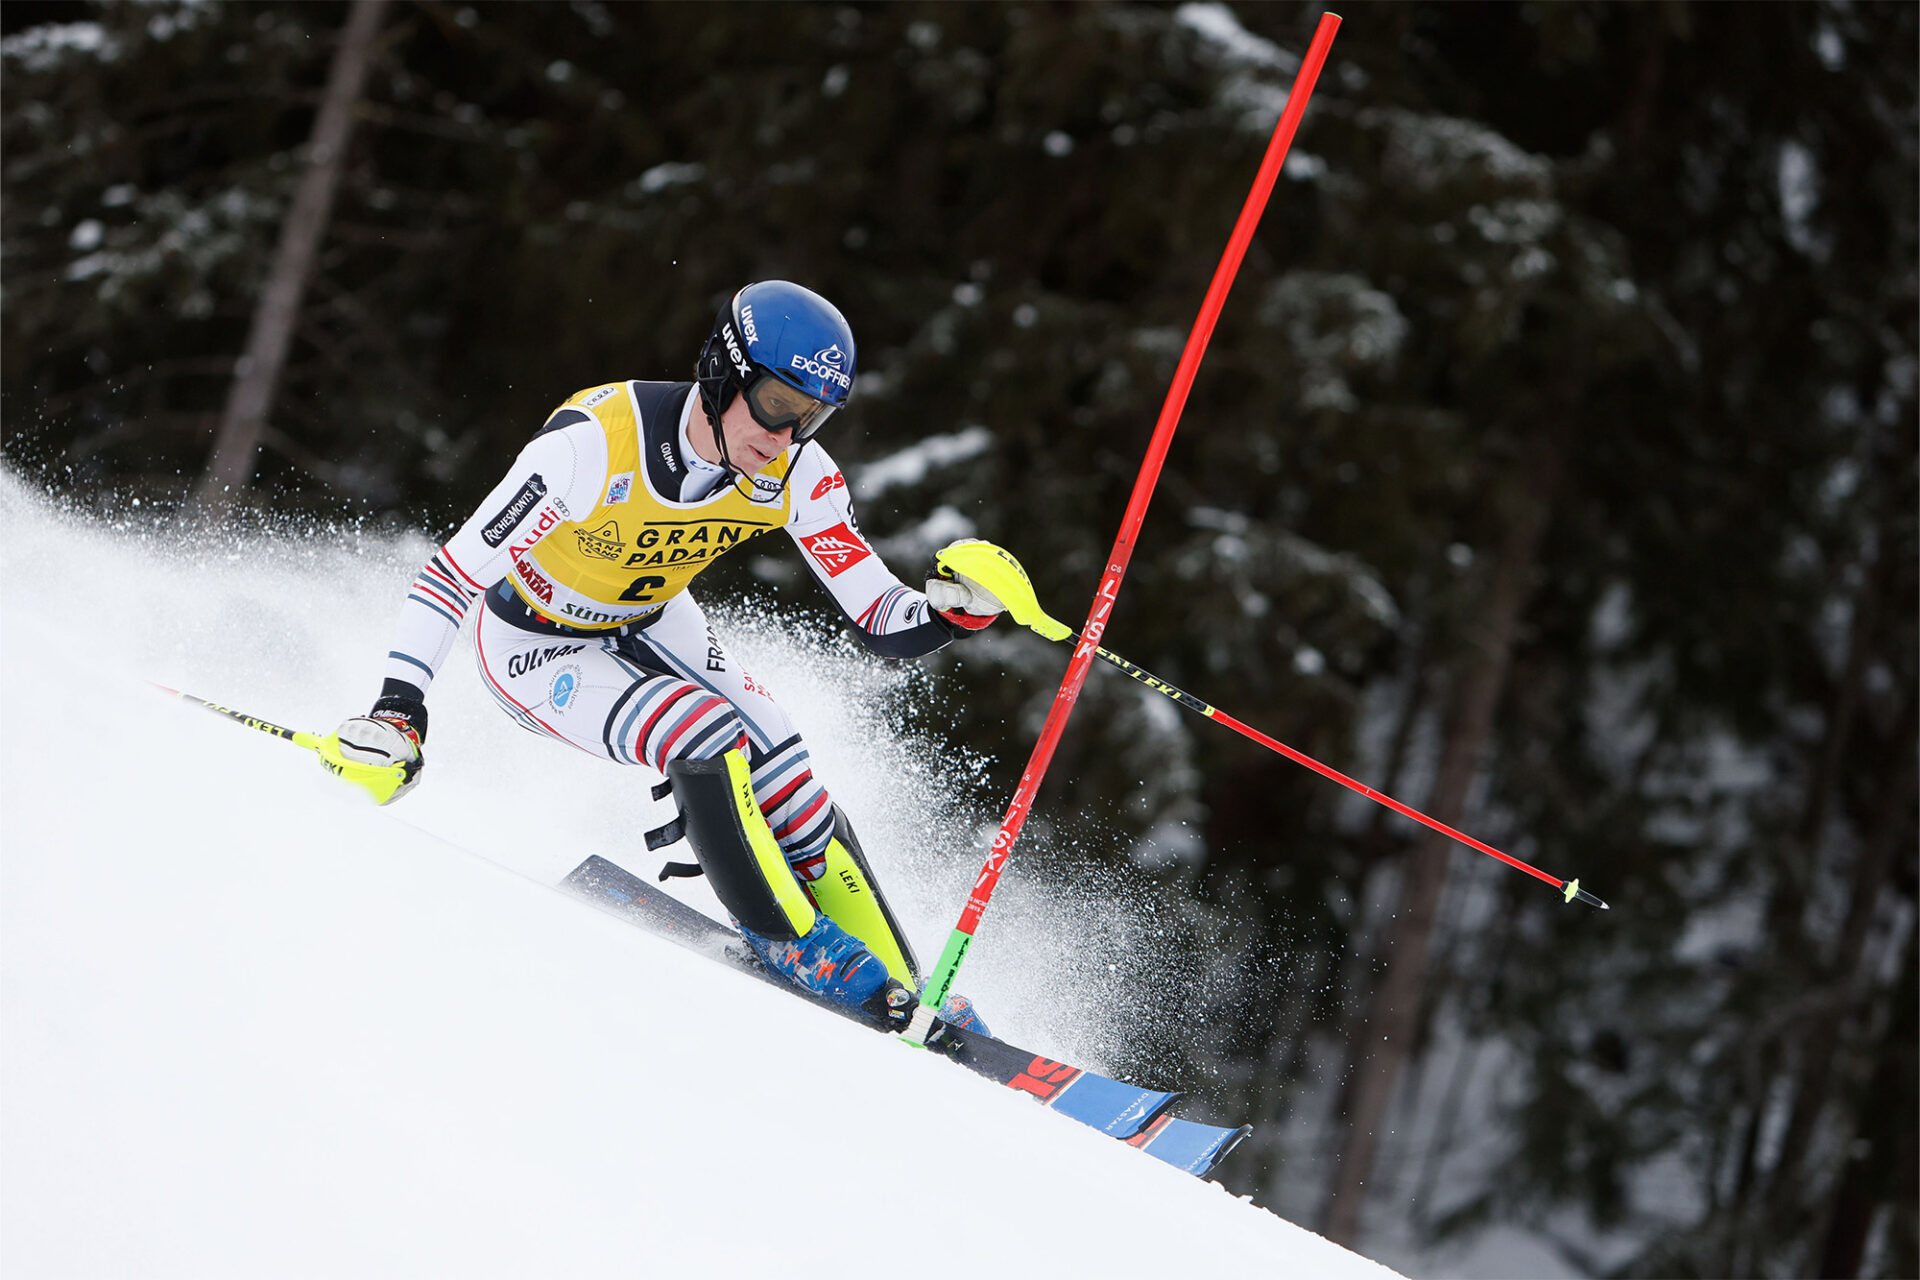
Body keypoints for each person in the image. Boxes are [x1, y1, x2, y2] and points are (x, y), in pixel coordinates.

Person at [323, 281, 1010, 1038]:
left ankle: (909, 984)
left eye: (811, 417)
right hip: (532, 640)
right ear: (724, 371)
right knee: (704, 730)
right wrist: (399, 710)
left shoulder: (797, 473)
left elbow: (881, 614)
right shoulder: (591, 445)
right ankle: (791, 942)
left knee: (782, 760)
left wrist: (951, 611)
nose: (784, 437)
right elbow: (451, 576)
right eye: (779, 403)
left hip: (651, 621)